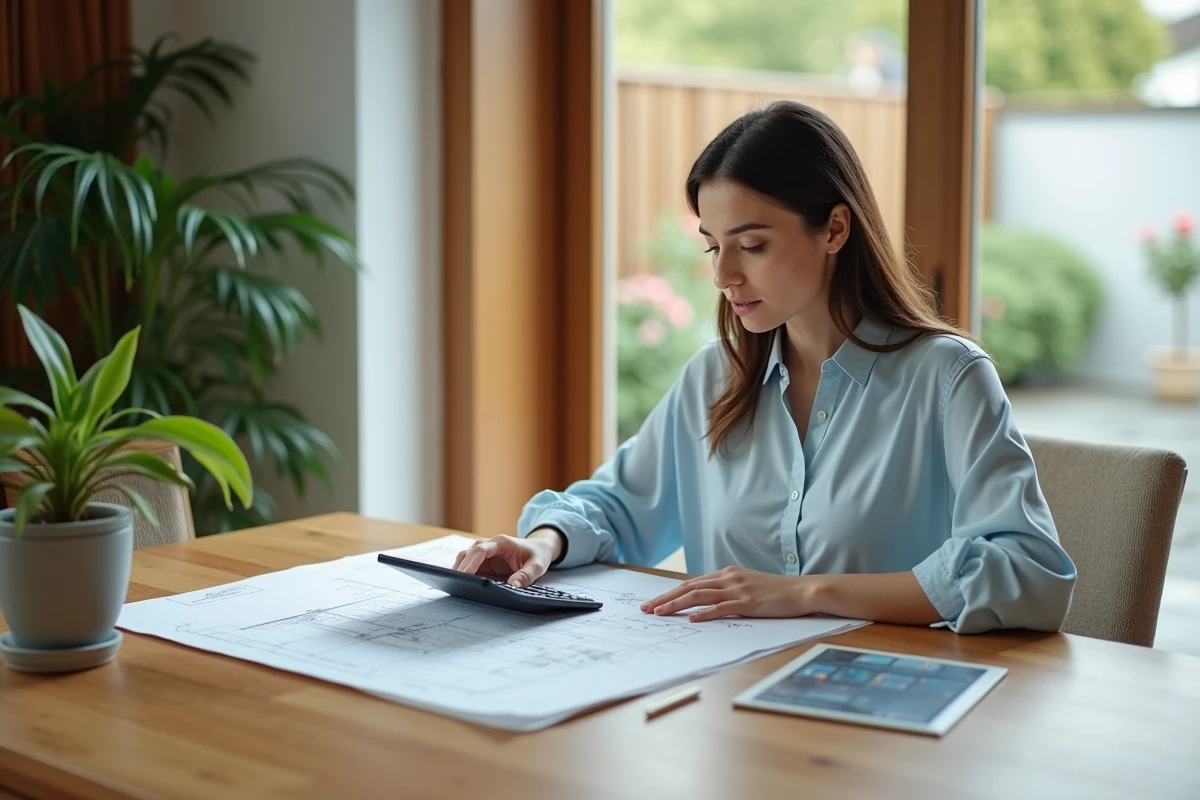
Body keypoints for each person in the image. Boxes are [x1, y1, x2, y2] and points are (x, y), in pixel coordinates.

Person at [453, 100, 1076, 634]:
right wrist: (541, 544)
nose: (724, 275)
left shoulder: (948, 378)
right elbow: (616, 506)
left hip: (883, 698)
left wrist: (808, 593)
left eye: (751, 245)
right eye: (713, 246)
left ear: (834, 229)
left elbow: (1030, 572)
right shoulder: (713, 378)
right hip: (726, 700)